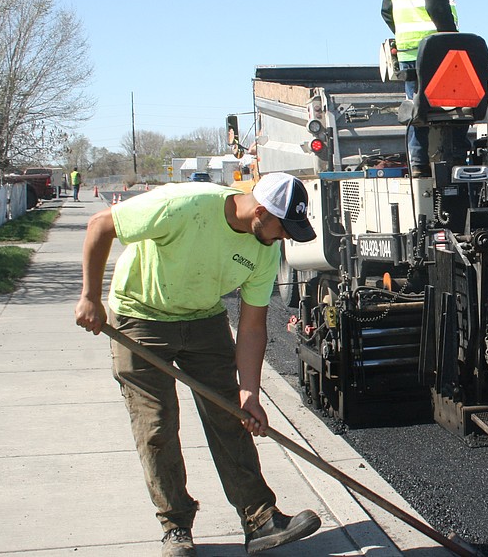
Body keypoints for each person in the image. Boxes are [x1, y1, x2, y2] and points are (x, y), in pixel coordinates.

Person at [74, 173, 321, 557]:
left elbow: (253, 326)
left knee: (230, 414)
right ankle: (175, 527)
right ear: (258, 212)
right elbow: (101, 224)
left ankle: (260, 520)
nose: (284, 237)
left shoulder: (265, 248)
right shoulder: (184, 205)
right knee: (156, 424)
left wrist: (249, 393)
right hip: (140, 316)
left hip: (203, 318)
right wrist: (89, 296)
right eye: (282, 228)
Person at [381, 0, 458, 177]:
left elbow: (386, 10)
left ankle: (418, 164)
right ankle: (453, 158)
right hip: (435, 49)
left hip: (408, 51)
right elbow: (438, 7)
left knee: (416, 108)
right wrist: (451, 40)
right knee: (451, 105)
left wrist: (403, 33)